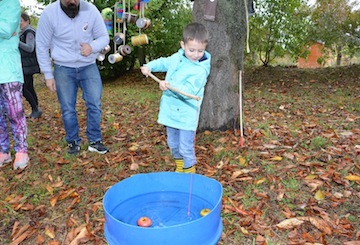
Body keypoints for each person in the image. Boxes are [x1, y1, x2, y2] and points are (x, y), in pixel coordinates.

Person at [36, 0, 110, 155]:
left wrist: (93, 47)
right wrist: (48, 74)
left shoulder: (91, 10)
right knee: (68, 108)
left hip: (88, 66)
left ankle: (95, 141)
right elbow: (42, 45)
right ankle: (73, 142)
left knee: (94, 104)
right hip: (63, 67)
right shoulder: (49, 14)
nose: (73, 2)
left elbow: (103, 36)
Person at [140, 22, 211, 173]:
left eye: (200, 51)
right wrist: (150, 66)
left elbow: (188, 92)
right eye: (191, 50)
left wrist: (169, 86)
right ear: (183, 45)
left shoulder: (200, 70)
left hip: (186, 115)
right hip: (170, 112)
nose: (195, 55)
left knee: (185, 148)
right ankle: (180, 169)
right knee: (173, 144)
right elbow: (164, 62)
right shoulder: (177, 57)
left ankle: (189, 176)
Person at [0, 0, 30, 170]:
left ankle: (21, 150)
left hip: (8, 70)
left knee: (14, 112)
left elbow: (6, 29)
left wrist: (6, 31)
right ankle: (3, 150)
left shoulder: (11, 3)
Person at [19, 12, 42, 119]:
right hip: (27, 64)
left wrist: (16, 42)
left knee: (24, 88)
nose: (19, 23)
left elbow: (30, 47)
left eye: (21, 21)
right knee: (29, 87)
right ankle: (35, 110)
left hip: (28, 65)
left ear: (27, 21)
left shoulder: (29, 32)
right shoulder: (23, 32)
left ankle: (36, 109)